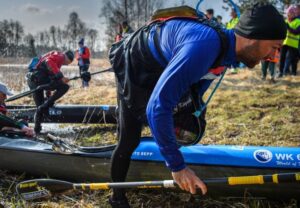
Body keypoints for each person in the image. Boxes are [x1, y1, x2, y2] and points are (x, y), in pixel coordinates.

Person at [108, 3, 286, 208]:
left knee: (188, 122)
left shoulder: (225, 54)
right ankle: (117, 196)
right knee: (130, 137)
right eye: (274, 47)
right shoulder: (205, 46)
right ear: (254, 36)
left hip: (166, 63)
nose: (274, 57)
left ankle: (155, 134)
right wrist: (177, 166)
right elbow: (158, 106)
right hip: (137, 62)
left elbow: (193, 94)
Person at [27, 50, 74, 133]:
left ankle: (37, 130)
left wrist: (48, 94)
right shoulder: (60, 56)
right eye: (68, 63)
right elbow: (48, 61)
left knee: (40, 108)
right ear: (67, 58)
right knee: (65, 86)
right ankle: (47, 103)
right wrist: (61, 77)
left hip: (35, 80)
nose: (66, 64)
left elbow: (50, 76)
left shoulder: (55, 56)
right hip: (37, 79)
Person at [278, 5, 300, 77]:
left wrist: (288, 27)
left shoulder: (298, 21)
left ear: (293, 14)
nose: (288, 15)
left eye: (290, 13)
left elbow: (296, 32)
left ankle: (293, 73)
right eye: (287, 14)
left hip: (293, 44)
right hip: (284, 43)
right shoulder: (285, 21)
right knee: (282, 58)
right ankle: (281, 72)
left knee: (293, 59)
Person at [226, 8, 240, 74]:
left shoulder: (238, 19)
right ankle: (230, 68)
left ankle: (235, 69)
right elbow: (227, 28)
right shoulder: (231, 20)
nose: (230, 13)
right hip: (229, 38)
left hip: (235, 39)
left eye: (232, 11)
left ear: (235, 12)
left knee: (234, 54)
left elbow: (235, 29)